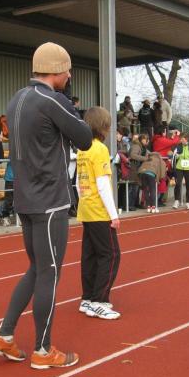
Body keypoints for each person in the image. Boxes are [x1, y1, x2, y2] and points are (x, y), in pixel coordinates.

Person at [0, 42, 92, 370]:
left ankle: (5, 335)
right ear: (56, 70)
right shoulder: (52, 100)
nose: (70, 76)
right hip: (49, 200)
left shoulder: (16, 98)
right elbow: (85, 138)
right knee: (49, 272)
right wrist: (71, 108)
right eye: (67, 70)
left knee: (36, 269)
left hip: (25, 197)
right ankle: (43, 350)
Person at [76, 106, 121, 320]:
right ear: (103, 126)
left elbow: (78, 181)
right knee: (111, 255)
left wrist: (82, 201)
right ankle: (99, 301)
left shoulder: (82, 149)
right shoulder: (100, 149)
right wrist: (114, 214)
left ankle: (87, 298)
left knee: (90, 255)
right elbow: (103, 184)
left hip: (86, 207)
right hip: (99, 210)